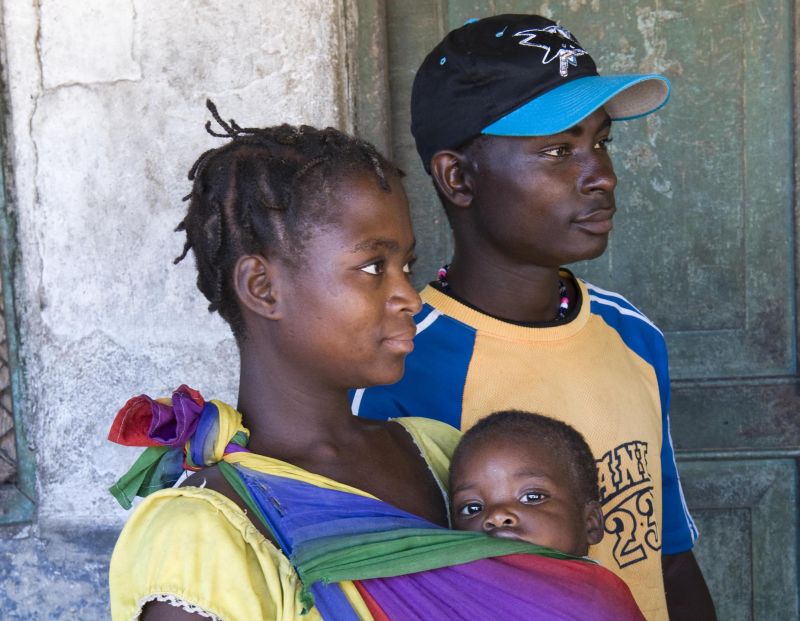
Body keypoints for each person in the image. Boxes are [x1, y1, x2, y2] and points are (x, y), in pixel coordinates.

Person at [107, 101, 647, 621]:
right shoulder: (201, 533)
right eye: (372, 268)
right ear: (263, 287)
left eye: (406, 265)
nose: (408, 296)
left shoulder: (439, 454)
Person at [352, 13, 716, 621]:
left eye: (600, 141)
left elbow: (667, 557)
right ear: (458, 177)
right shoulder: (398, 366)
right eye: (557, 150)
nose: (601, 175)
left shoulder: (632, 335)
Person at [449, 410, 604, 558]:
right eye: (472, 508)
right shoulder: (447, 584)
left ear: (590, 524)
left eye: (532, 497)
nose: (497, 516)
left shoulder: (605, 586)